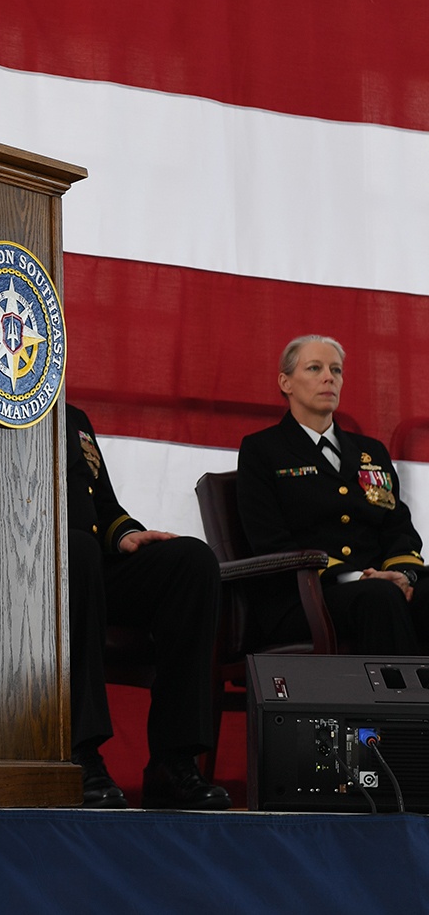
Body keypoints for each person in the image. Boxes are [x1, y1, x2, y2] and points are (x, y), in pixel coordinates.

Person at [66, 403, 231, 810]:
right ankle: (78, 755)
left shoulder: (71, 415)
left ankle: (173, 760)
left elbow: (103, 507)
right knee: (78, 550)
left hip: (88, 563)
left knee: (191, 561)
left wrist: (127, 536)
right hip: (24, 571)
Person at [237, 335, 428, 652]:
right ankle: (397, 702)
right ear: (286, 382)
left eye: (336, 370)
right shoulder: (263, 450)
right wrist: (356, 578)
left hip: (379, 584)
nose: (329, 377)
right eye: (315, 368)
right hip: (303, 596)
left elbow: (397, 528)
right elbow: (268, 539)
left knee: (409, 592)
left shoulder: (371, 452)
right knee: (380, 598)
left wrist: (402, 574)